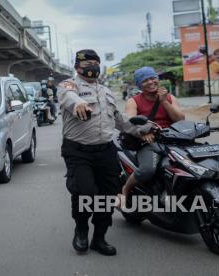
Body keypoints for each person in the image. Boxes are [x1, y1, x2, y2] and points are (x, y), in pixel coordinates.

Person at [58, 49, 152, 256]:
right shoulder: (68, 86)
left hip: (106, 150)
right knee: (84, 192)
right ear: (77, 67)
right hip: (78, 150)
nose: (92, 66)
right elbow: (68, 96)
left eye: (95, 63)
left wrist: (144, 130)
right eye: (88, 63)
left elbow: (120, 121)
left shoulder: (106, 91)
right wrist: (79, 102)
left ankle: (99, 238)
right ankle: (81, 229)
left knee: (109, 196)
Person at [119, 67, 185, 201]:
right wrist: (143, 132)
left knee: (185, 166)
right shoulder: (134, 101)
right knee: (147, 170)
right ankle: (125, 189)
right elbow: (128, 122)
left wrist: (164, 101)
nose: (150, 82)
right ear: (139, 85)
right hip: (149, 142)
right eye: (145, 80)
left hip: (172, 139)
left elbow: (180, 120)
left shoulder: (169, 97)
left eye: (153, 78)